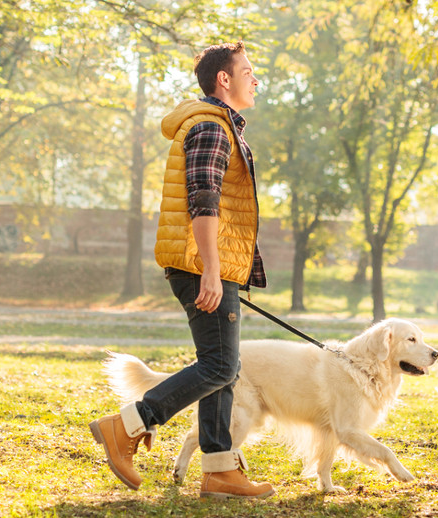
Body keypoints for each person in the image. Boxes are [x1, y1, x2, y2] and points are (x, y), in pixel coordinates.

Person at [89, 42, 273, 500]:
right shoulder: (211, 126)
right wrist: (213, 270)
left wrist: (228, 269)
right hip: (200, 266)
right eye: (248, 71)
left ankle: (218, 470)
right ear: (223, 79)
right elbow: (203, 199)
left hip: (211, 265)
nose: (256, 79)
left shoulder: (219, 125)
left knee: (224, 370)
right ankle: (127, 425)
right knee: (221, 365)